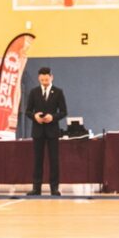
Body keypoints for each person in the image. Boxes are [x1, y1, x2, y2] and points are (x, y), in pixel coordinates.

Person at [24, 67, 67, 196]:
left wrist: (53, 117)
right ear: (39, 78)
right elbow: (28, 111)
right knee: (38, 160)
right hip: (38, 131)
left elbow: (64, 112)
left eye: (46, 79)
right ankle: (36, 188)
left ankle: (54, 188)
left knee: (54, 160)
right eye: (42, 79)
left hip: (52, 131)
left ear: (51, 77)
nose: (44, 82)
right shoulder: (34, 92)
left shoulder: (58, 92)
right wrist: (35, 116)